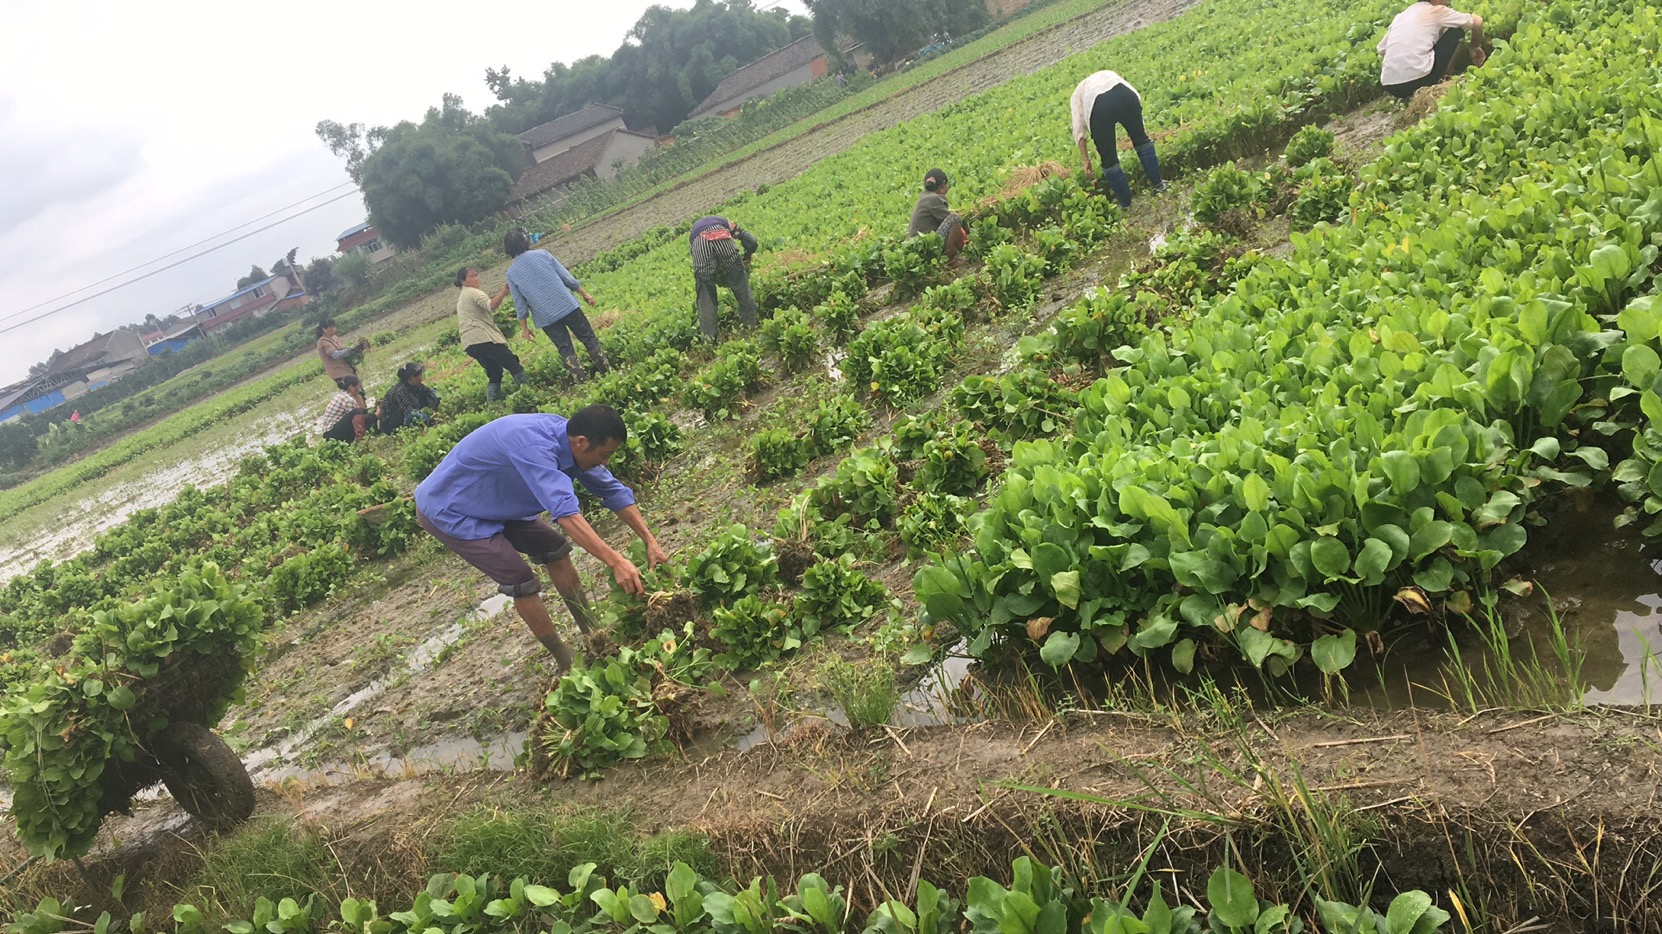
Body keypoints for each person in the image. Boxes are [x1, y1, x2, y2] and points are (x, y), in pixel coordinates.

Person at [413, 405, 670, 673]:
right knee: (520, 579)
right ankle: (565, 661)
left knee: (555, 549)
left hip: (499, 500)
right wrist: (616, 562)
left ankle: (595, 635)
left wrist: (650, 540)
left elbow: (612, 491)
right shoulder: (534, 447)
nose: (604, 462)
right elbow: (567, 515)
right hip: (451, 509)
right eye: (604, 455)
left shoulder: (572, 441)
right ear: (582, 443)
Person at [504, 229, 610, 382]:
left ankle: (581, 380)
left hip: (546, 317)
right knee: (588, 337)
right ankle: (606, 371)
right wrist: (584, 293)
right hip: (567, 305)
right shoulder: (542, 254)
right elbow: (567, 278)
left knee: (565, 348)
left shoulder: (511, 273)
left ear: (508, 249)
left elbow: (519, 304)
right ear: (525, 241)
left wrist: (525, 328)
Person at [1070, 70, 1166, 209]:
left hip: (1099, 105)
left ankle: (1126, 205)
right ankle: (1159, 185)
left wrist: (1086, 160)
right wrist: (1140, 131)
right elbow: (1135, 98)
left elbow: (1078, 129)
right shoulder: (1108, 73)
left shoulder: (1076, 96)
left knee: (1109, 159)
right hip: (1126, 95)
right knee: (1142, 141)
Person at [1377, 0, 1486, 101]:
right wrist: (1475, 46)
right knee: (1457, 31)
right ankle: (1445, 77)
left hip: (1391, 86)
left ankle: (1409, 92)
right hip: (1421, 79)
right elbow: (1477, 22)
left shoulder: (1402, 16)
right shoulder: (1436, 11)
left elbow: (1381, 49)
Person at [454, 267, 527, 401]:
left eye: (476, 275)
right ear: (463, 281)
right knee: (511, 362)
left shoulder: (463, 296)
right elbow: (491, 305)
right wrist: (504, 290)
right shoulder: (473, 293)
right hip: (482, 338)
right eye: (472, 276)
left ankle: (493, 403)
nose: (476, 278)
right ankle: (527, 391)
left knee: (494, 372)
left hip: (470, 343)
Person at [688, 215, 759, 342]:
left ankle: (709, 339)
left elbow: (697, 256)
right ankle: (751, 325)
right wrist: (747, 255)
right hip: (722, 236)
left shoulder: (694, 232)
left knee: (705, 293)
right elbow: (751, 241)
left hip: (699, 243)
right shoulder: (724, 222)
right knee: (739, 281)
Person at [907, 168, 969, 261]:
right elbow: (948, 219)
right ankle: (950, 260)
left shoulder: (924, 198)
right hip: (926, 248)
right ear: (943, 184)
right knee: (954, 219)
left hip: (916, 247)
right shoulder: (934, 199)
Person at [378, 362, 442, 432]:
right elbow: (409, 412)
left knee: (424, 395)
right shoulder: (400, 391)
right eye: (419, 376)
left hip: (406, 412)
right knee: (410, 413)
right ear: (412, 378)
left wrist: (439, 400)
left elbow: (430, 392)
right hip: (390, 422)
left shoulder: (416, 385)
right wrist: (427, 418)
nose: (421, 377)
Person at [319, 375, 375, 443]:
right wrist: (375, 415)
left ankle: (351, 441)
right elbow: (360, 418)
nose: (359, 390)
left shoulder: (343, 395)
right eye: (359, 386)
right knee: (357, 412)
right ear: (351, 387)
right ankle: (360, 438)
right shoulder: (348, 400)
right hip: (331, 434)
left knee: (358, 414)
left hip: (331, 432)